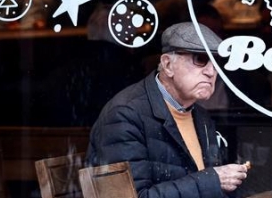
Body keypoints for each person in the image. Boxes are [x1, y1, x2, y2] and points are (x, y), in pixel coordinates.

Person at [87, 22, 248, 197]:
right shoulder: (124, 115)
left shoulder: (199, 115)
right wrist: (211, 180)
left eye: (215, 61)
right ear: (168, 65)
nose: (211, 71)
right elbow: (129, 196)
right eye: (200, 59)